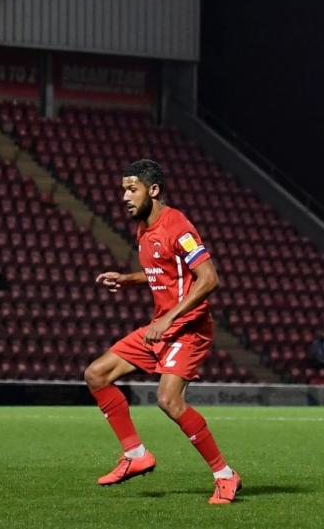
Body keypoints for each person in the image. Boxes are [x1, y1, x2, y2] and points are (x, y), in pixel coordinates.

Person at [83, 159, 241, 505]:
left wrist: (169, 319)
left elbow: (209, 278)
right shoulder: (144, 227)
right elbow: (164, 272)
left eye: (132, 189)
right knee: (96, 374)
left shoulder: (178, 227)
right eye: (123, 189)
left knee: (168, 400)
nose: (124, 196)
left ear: (153, 190)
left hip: (189, 328)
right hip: (161, 326)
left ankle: (225, 475)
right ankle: (136, 454)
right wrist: (130, 279)